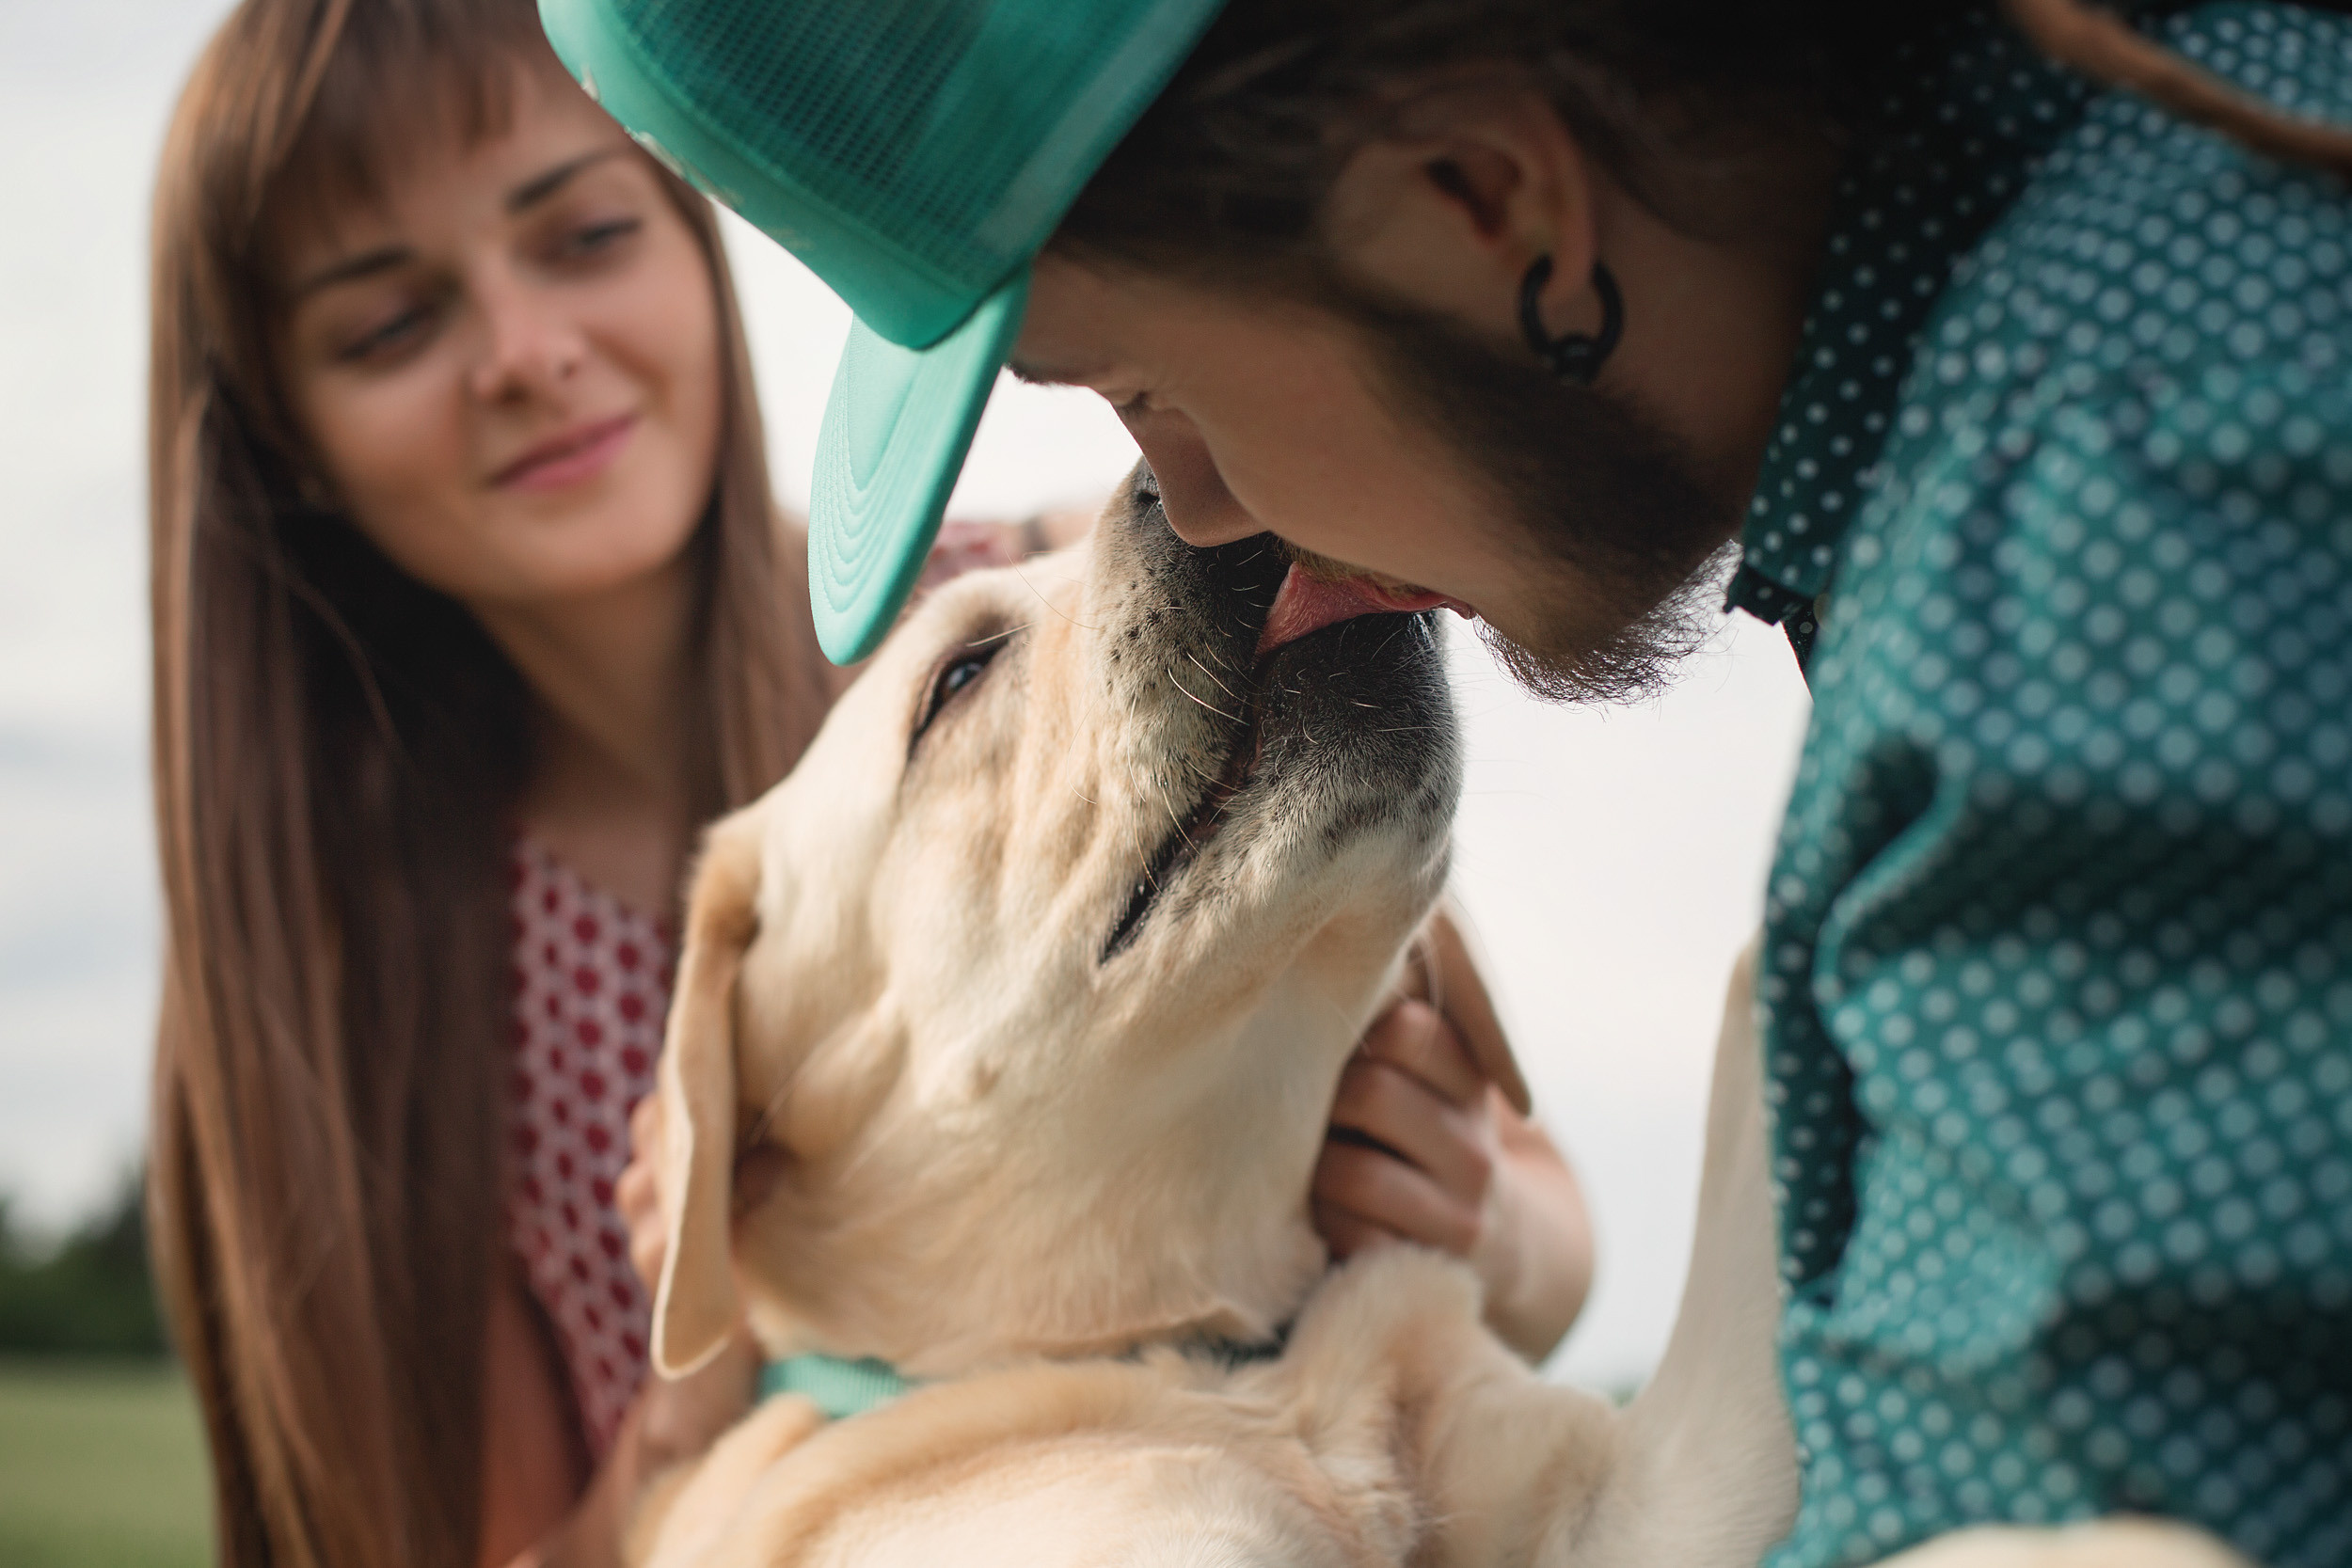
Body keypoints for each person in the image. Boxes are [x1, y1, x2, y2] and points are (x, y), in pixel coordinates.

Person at [548, 0, 2352, 1562]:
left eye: (1149, 390)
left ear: (1488, 199)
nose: (1199, 520)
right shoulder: (2038, 416)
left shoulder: (2097, 530)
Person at [143, 4, 1592, 1564]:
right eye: (389, 326)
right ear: (283, 442)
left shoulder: (1091, 602)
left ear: (702, 251)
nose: (526, 353)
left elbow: (1542, 1222)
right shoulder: (361, 988)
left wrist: (1473, 1220)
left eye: (581, 236)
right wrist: (708, 1372)